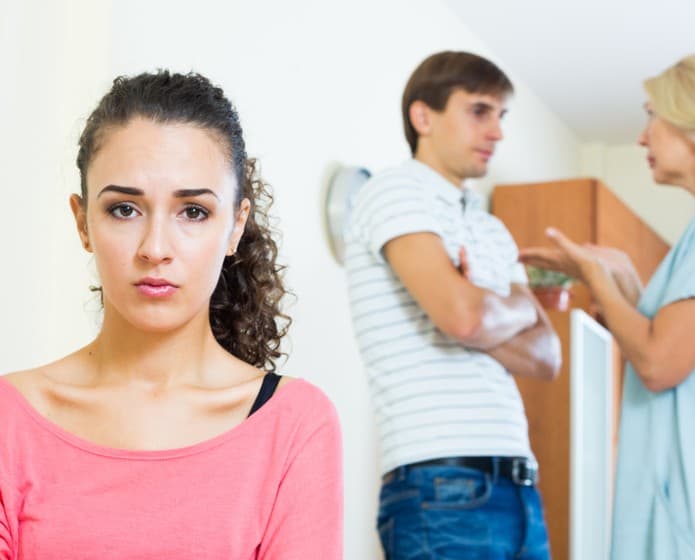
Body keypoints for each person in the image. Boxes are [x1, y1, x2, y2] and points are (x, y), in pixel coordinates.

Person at [0, 71, 342, 559]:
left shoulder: (294, 423)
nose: (155, 248)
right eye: (124, 209)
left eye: (193, 212)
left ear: (236, 226)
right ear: (82, 222)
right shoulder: (10, 419)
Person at [521, 53, 695, 559]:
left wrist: (595, 278)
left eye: (653, 116)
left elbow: (658, 362)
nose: (641, 137)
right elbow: (682, 341)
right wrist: (624, 279)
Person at [345, 51, 560, 559]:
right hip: (441, 484)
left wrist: (485, 304)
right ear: (423, 117)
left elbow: (548, 357)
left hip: (519, 486)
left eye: (501, 115)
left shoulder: (491, 229)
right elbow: (464, 318)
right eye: (479, 111)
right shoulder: (393, 191)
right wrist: (505, 306)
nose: (497, 132)